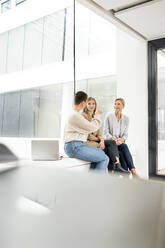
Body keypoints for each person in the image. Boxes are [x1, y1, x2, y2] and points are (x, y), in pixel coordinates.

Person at [64, 91, 109, 172]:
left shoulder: (74, 114)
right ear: (83, 102)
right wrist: (97, 115)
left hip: (75, 145)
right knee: (104, 158)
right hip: (74, 146)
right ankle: (95, 184)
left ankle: (91, 182)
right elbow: (92, 127)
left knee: (99, 155)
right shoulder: (75, 116)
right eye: (87, 102)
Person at [82, 97, 129, 174]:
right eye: (89, 103)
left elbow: (99, 132)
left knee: (116, 146)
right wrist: (100, 140)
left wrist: (102, 140)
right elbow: (88, 135)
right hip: (88, 142)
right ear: (85, 105)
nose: (91, 105)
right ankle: (115, 169)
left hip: (98, 141)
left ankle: (117, 167)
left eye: (93, 103)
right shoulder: (84, 116)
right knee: (109, 147)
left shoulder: (94, 116)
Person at [104, 98, 139, 177]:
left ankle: (126, 176)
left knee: (123, 151)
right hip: (111, 143)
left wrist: (122, 139)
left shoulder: (126, 118)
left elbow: (125, 134)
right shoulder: (109, 116)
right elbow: (106, 132)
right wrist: (114, 140)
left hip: (120, 143)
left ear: (123, 106)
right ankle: (133, 170)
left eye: (118, 104)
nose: (116, 106)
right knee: (123, 149)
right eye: (115, 104)